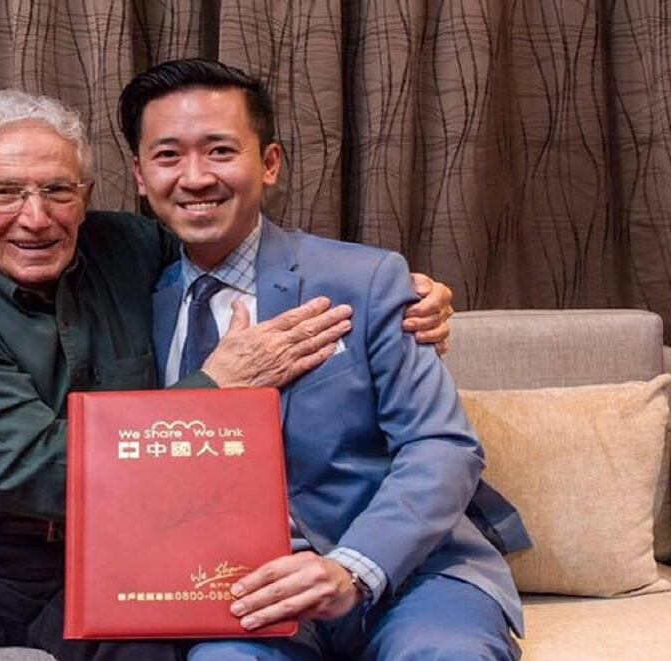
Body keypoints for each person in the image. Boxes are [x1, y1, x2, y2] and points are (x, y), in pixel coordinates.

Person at [0, 89, 453, 661]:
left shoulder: (132, 247)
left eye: (57, 190)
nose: (36, 217)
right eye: (5, 193)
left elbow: (233, 251)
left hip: (126, 549)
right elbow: (30, 468)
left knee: (162, 646)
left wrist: (397, 292)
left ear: (87, 196)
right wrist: (213, 391)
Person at [119, 59, 531, 661]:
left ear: (269, 163)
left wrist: (353, 567)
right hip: (245, 589)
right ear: (139, 174)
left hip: (410, 572)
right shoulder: (132, 300)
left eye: (221, 151)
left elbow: (441, 445)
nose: (196, 177)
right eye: (168, 156)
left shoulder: (365, 279)